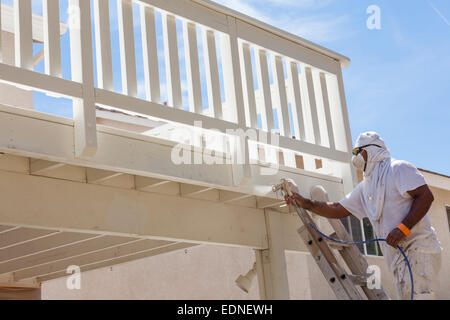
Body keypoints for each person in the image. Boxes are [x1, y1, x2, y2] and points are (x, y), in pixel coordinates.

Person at [285, 131, 442, 300]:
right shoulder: (366, 187)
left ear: (372, 150)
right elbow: (338, 209)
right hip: (399, 259)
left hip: (419, 249)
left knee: (419, 297)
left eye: (357, 151)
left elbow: (426, 196)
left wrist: (403, 229)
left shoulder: (398, 168)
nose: (355, 156)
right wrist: (306, 203)